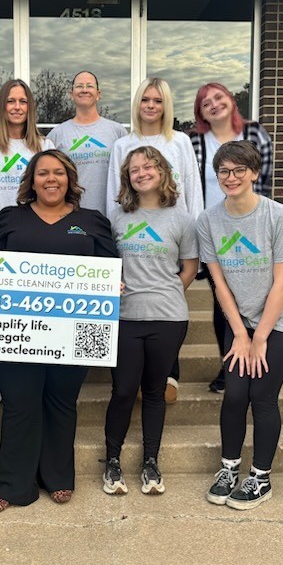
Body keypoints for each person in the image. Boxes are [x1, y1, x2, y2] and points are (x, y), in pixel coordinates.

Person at [0, 149, 119, 513]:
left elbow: (108, 267)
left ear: (69, 179)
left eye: (58, 173)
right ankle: (12, 483)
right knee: (20, 405)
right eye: (42, 174)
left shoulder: (93, 221)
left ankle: (58, 477)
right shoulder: (9, 219)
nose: (50, 179)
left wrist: (111, 287)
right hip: (18, 333)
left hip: (74, 332)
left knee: (61, 403)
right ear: (31, 181)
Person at [196, 140, 283, 511]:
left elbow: (282, 283)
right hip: (241, 320)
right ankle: (229, 469)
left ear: (254, 173)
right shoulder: (208, 220)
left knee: (261, 396)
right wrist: (242, 333)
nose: (231, 177)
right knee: (233, 395)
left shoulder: (280, 217)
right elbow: (219, 284)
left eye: (238, 170)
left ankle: (261, 477)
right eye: (223, 171)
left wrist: (260, 337)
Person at [102, 146, 198, 496]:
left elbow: (189, 267)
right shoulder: (115, 218)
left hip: (169, 318)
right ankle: (112, 461)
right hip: (125, 316)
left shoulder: (182, 219)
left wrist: (168, 291)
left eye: (148, 166)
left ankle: (150, 461)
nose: (141, 173)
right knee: (124, 390)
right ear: (127, 177)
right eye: (134, 169)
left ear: (162, 172)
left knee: (155, 393)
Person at [106, 77, 203, 402]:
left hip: (174, 233)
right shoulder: (123, 143)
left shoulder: (179, 142)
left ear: (166, 106)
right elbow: (114, 193)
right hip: (133, 233)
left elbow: (192, 188)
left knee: (168, 303)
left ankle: (167, 376)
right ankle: (132, 377)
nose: (151, 106)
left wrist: (195, 230)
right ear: (138, 104)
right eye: (145, 99)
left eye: (158, 101)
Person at [0, 79, 55, 404]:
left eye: (23, 101)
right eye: (11, 101)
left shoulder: (43, 147)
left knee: (33, 309)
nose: (17, 107)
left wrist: (33, 230)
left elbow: (48, 192)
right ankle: (1, 377)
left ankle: (36, 370)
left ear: (30, 108)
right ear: (2, 107)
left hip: (36, 236)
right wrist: (4, 233)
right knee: (1, 310)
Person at [188, 82, 274, 394]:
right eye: (205, 102)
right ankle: (231, 366)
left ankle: (256, 355)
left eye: (219, 97)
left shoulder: (254, 135)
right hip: (213, 231)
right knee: (223, 300)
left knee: (252, 296)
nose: (214, 104)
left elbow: (264, 183)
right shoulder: (195, 140)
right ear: (200, 112)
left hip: (251, 228)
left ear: (231, 101)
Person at [47, 70, 127, 214]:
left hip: (111, 214)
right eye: (79, 86)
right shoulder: (57, 135)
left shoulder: (117, 131)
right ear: (71, 94)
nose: (84, 90)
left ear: (98, 94)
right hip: (71, 216)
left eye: (89, 86)